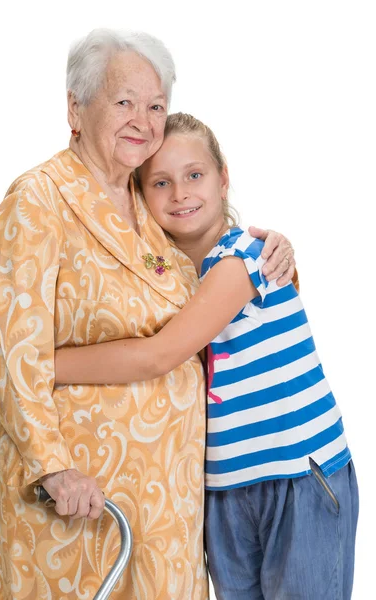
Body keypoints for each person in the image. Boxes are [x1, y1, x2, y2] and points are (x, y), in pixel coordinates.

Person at [0, 29, 295, 599]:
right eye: (124, 102)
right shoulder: (39, 201)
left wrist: (279, 255)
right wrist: (52, 468)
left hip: (167, 509)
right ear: (75, 108)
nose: (143, 121)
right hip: (80, 503)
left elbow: (213, 294)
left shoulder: (149, 208)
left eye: (156, 106)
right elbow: (8, 347)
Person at [55, 112, 359, 600]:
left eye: (194, 175)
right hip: (224, 489)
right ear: (139, 195)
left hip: (297, 477)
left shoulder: (247, 256)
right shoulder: (168, 281)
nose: (180, 193)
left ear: (223, 180)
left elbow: (159, 355)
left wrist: (42, 364)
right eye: (160, 182)